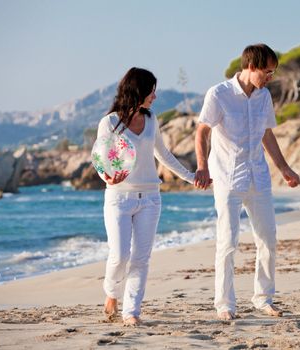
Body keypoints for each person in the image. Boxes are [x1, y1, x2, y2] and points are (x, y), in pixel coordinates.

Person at [194, 43, 300, 321]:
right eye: (267, 71)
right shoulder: (219, 94)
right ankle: (225, 304)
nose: (270, 77)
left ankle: (263, 298)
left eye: (273, 72)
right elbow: (202, 132)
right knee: (228, 242)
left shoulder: (264, 96)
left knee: (268, 239)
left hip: (259, 176)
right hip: (227, 177)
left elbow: (266, 134)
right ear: (250, 67)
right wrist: (202, 166)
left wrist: (285, 169)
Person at [97, 67, 195, 326]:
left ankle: (131, 311)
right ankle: (111, 292)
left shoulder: (152, 119)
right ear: (137, 90)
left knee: (141, 257)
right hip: (119, 197)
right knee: (119, 255)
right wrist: (107, 177)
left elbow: (164, 155)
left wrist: (191, 177)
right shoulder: (109, 123)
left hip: (150, 198)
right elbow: (99, 158)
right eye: (151, 90)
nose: (155, 95)